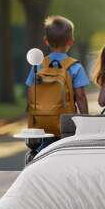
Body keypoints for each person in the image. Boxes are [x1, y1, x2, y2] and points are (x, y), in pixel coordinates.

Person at [26, 16, 89, 151]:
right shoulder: (74, 67)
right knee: (66, 151)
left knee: (42, 151)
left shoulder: (38, 65)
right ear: (71, 41)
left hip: (41, 122)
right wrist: (86, 122)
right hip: (66, 122)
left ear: (46, 41)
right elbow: (81, 97)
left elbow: (31, 92)